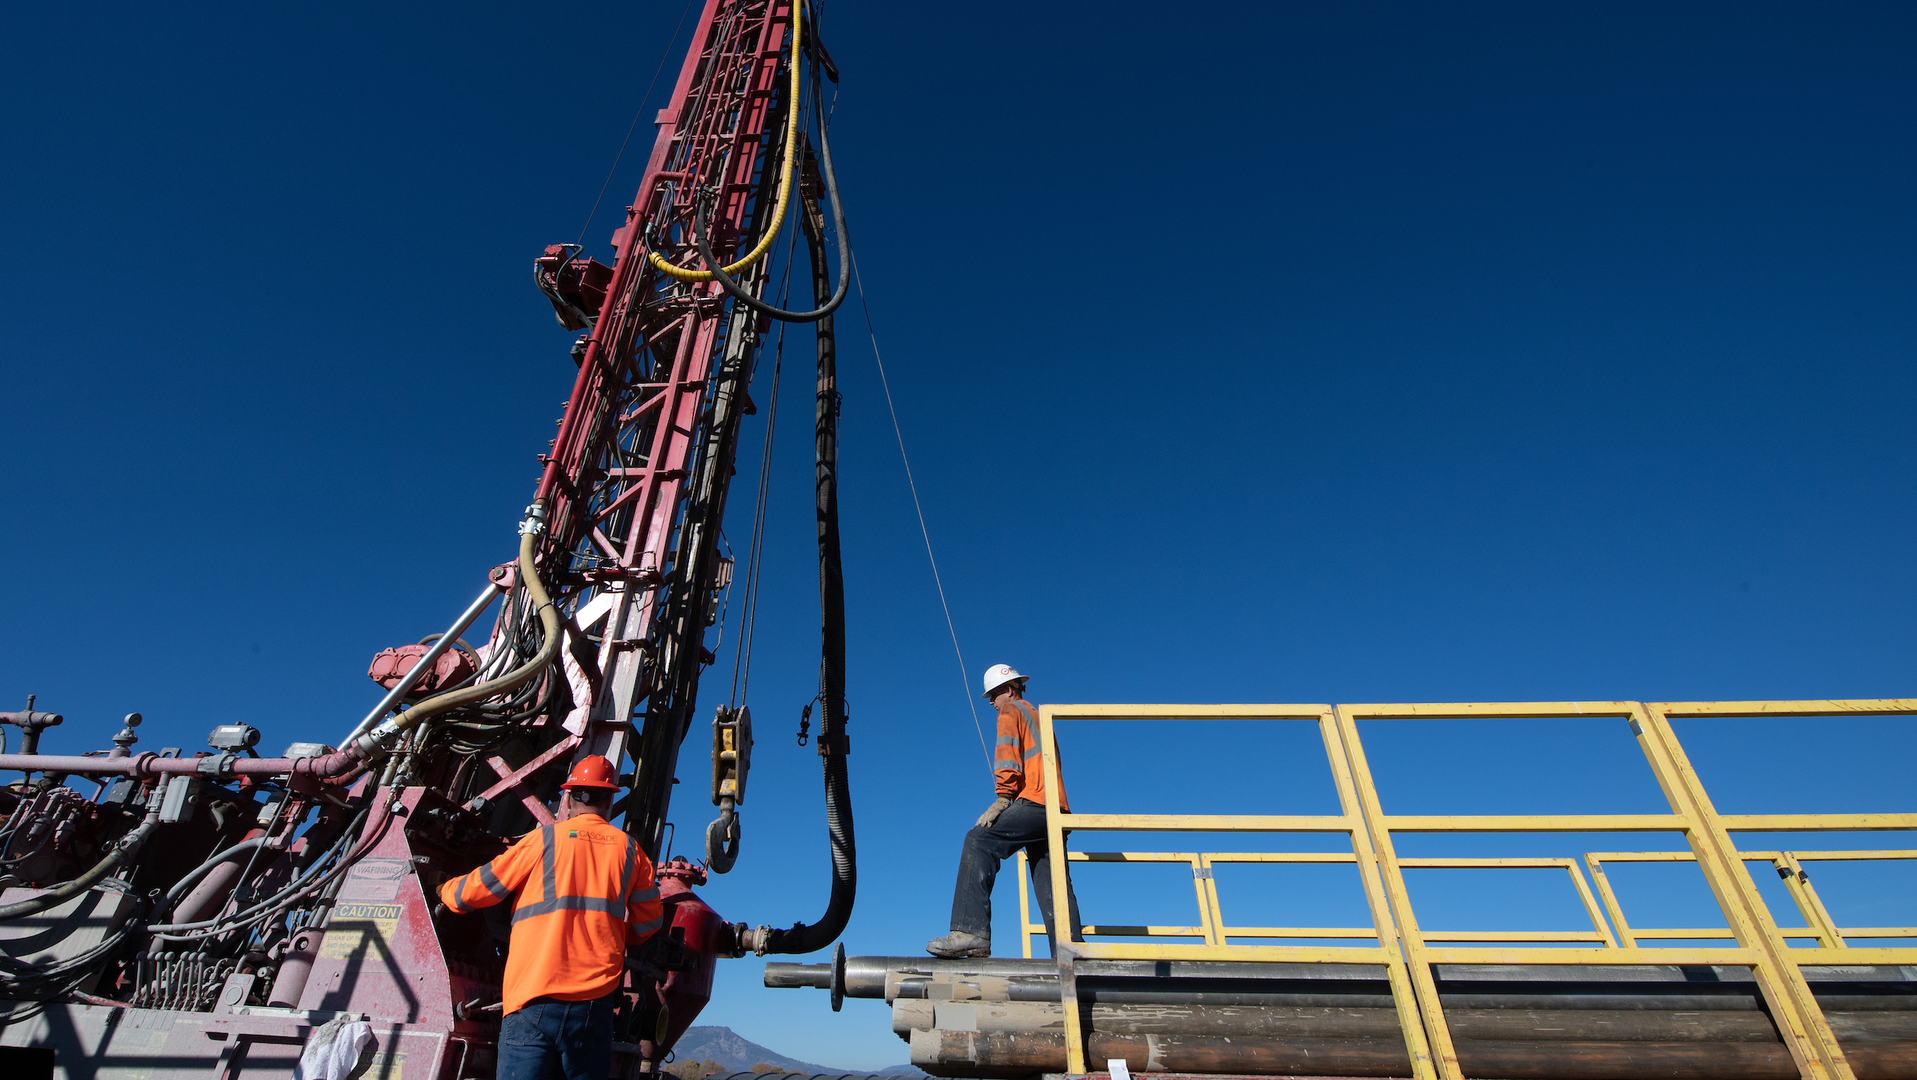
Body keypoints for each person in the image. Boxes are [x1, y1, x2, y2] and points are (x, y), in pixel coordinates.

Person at [439, 755, 663, 1080]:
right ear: (609, 800)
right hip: (592, 1005)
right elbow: (648, 924)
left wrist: (443, 889)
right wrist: (618, 935)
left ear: (569, 797)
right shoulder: (630, 851)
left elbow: (472, 894)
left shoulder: (543, 840)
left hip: (531, 996)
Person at [926, 664, 1082, 959]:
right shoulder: (1038, 715)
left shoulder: (1011, 710)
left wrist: (1003, 797)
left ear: (1009, 691)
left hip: (1036, 802)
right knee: (1052, 883)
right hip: (1056, 808)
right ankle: (1072, 952)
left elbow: (1007, 754)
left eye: (993, 695)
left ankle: (971, 931)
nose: (991, 703)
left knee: (978, 840)